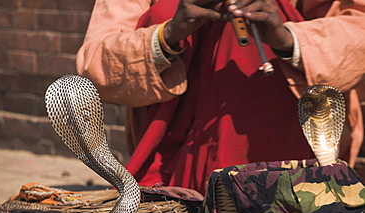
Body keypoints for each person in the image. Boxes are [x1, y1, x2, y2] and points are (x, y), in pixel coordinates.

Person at [76, 0, 365, 196]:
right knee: (163, 8)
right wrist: (169, 33)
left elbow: (358, 29)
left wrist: (286, 38)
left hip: (290, 154)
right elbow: (95, 62)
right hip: (172, 161)